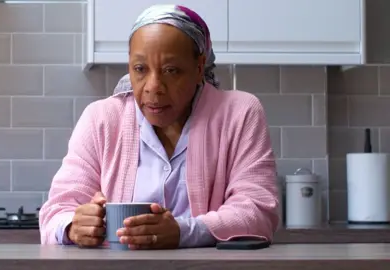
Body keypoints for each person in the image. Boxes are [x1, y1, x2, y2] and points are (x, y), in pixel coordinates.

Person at [39, 4, 280, 250]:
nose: (153, 87)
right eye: (140, 69)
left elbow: (257, 211)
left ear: (199, 68)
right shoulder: (101, 118)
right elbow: (55, 212)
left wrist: (183, 232)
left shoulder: (239, 113)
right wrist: (73, 226)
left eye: (171, 70)